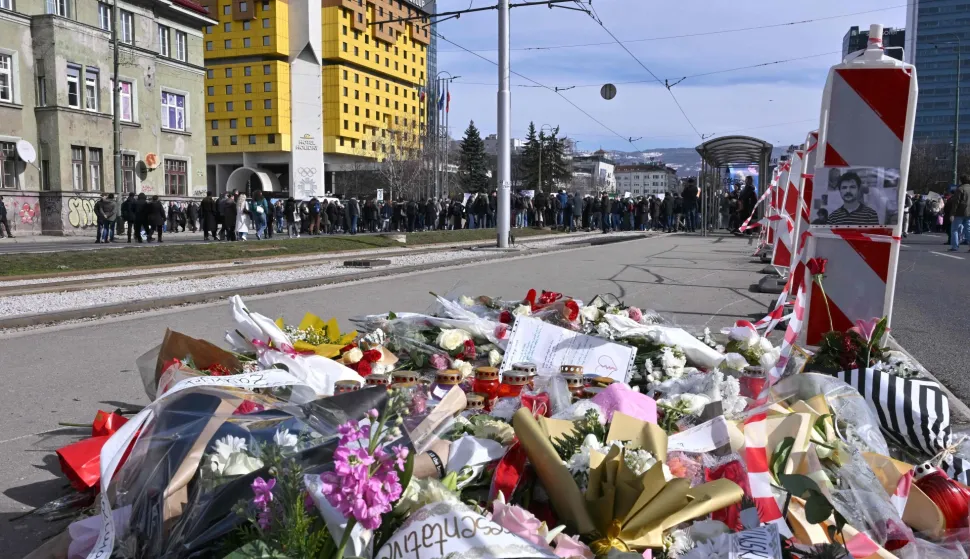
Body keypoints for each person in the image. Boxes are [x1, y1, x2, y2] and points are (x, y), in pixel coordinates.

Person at [949, 176, 970, 252]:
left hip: (959, 212)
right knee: (968, 230)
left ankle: (955, 246)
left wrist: (952, 214)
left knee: (955, 229)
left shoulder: (960, 189)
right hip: (969, 212)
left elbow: (956, 203)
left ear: (961, 181)